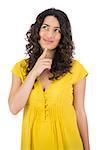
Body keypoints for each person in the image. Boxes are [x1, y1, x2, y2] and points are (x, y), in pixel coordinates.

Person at [8, 8, 90, 150]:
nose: (50, 35)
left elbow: (80, 112)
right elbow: (14, 108)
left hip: (69, 144)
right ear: (37, 31)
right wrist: (33, 72)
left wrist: (87, 148)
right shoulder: (20, 68)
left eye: (57, 30)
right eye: (45, 27)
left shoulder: (76, 69)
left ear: (62, 36)